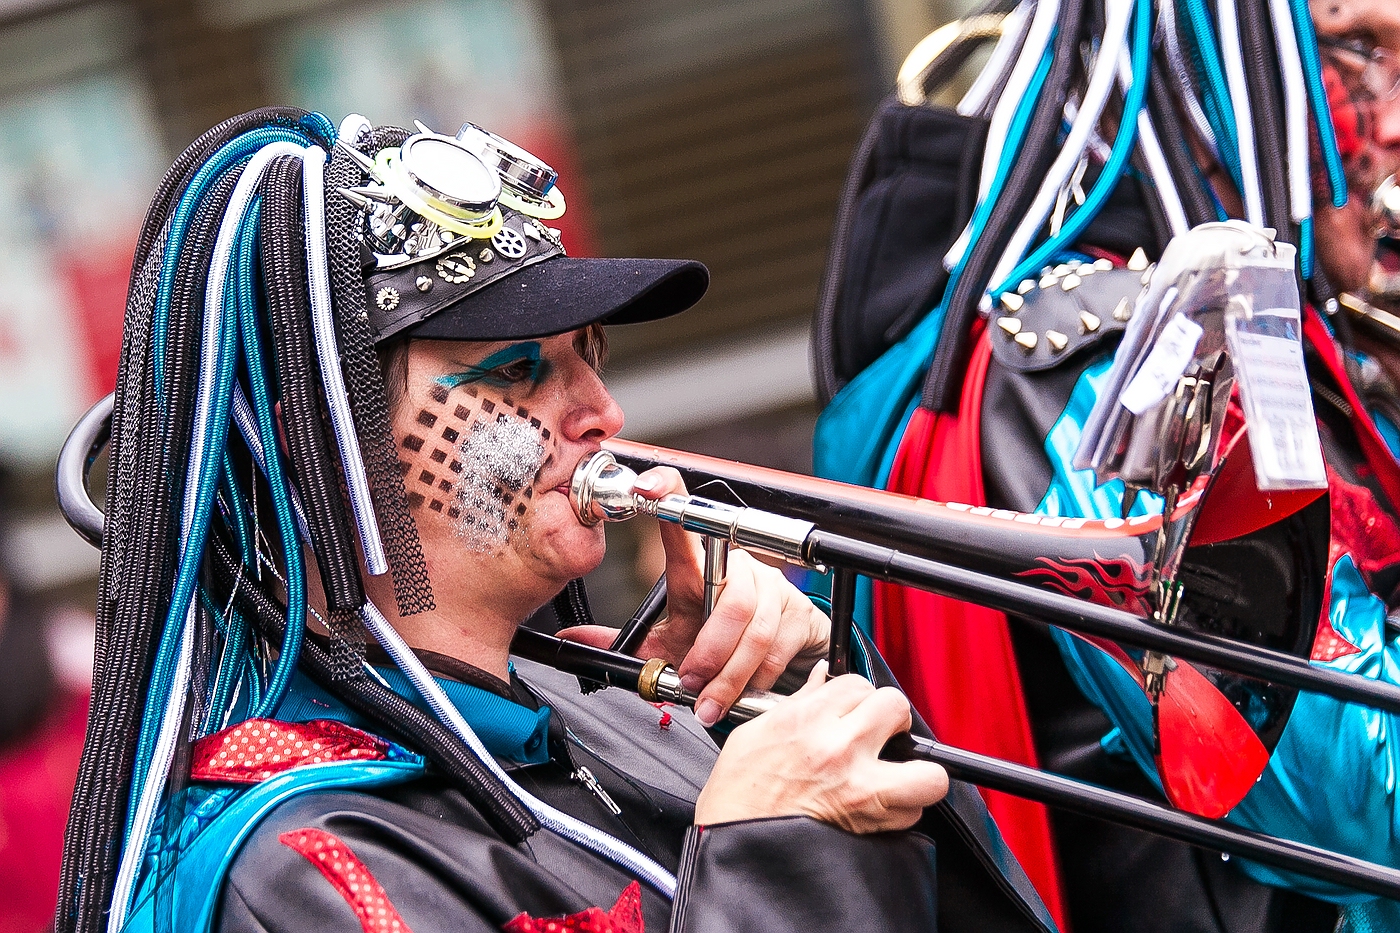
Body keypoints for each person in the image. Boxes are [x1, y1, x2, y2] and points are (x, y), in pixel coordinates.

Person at [53, 110, 1060, 933]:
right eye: (517, 371)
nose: (603, 416)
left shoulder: (623, 719)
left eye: (589, 356)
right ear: (319, 437)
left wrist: (804, 695)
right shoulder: (299, 863)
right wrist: (775, 858)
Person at [812, 0, 1400, 931]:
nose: (1395, 116)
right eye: (1355, 50)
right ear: (1198, 67)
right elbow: (1357, 802)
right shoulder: (1117, 358)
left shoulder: (1316, 339)